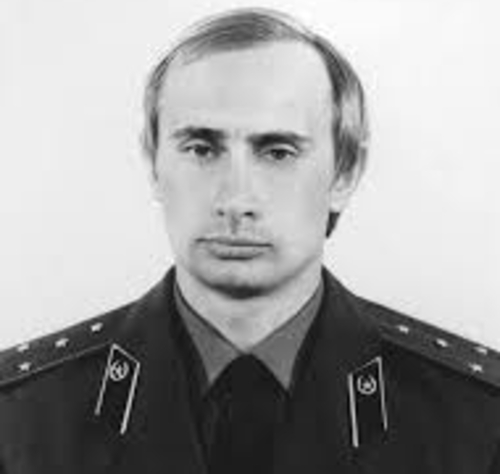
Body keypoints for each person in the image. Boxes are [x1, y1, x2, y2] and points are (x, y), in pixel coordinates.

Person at [0, 8, 499, 474]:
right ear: (153, 163)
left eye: (278, 152)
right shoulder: (19, 418)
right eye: (201, 148)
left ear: (345, 171)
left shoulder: (478, 422)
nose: (236, 199)